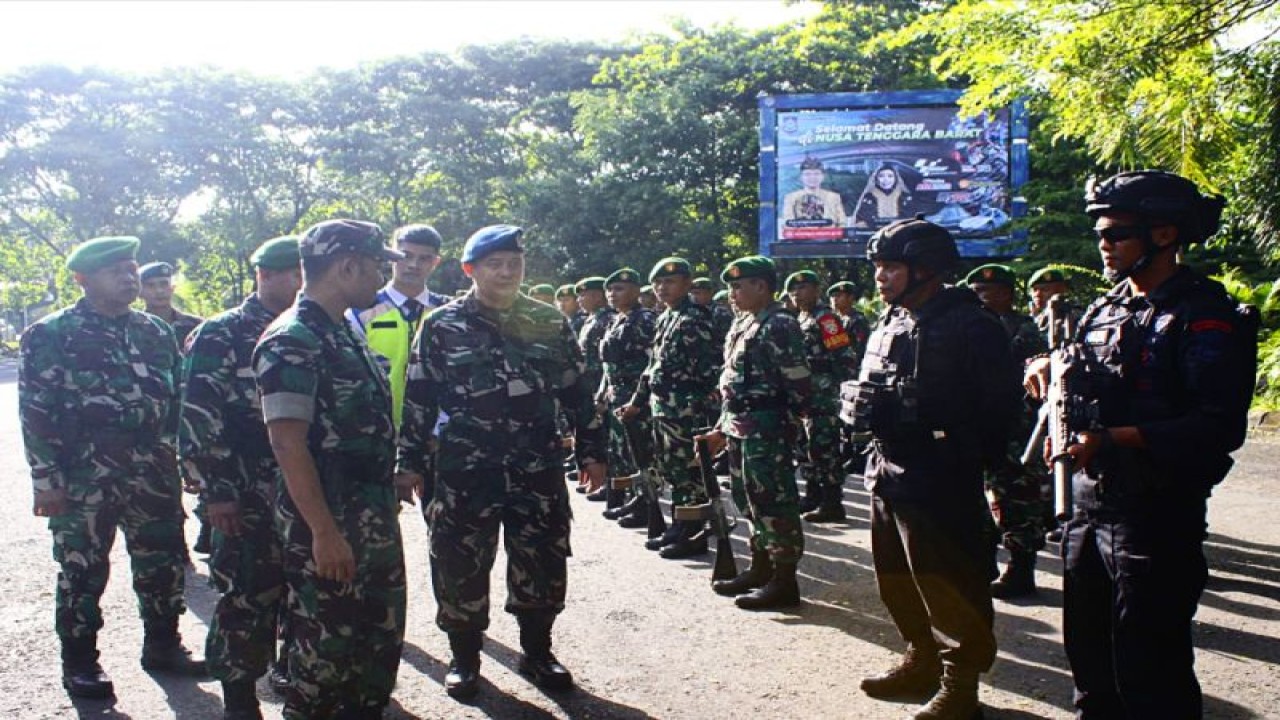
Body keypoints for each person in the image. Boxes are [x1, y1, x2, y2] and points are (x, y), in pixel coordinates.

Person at [1025, 171, 1256, 718]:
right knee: (1091, 662)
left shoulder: (1203, 314)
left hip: (1154, 513)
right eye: (1100, 235)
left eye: (1116, 234)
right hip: (1087, 507)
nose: (1103, 246)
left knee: (1151, 669)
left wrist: (1112, 438)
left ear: (1164, 234)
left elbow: (1217, 426)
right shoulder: (1104, 309)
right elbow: (1080, 375)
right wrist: (1046, 368)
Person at [394, 225, 606, 699]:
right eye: (495, 264)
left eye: (515, 263)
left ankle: (538, 651)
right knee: (459, 563)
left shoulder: (549, 321)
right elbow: (419, 398)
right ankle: (465, 657)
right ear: (470, 270)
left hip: (537, 467)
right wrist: (408, 462)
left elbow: (578, 391)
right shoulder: (442, 325)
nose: (507, 272)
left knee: (542, 559)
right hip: (465, 470)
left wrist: (592, 452)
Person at [20, 236, 206, 700]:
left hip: (152, 468)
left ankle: (163, 644)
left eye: (131, 269)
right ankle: (80, 661)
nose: (128, 278)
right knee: (82, 569)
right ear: (82, 279)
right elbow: (36, 411)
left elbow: (177, 400)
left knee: (162, 561)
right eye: (115, 271)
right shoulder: (51, 334)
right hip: (85, 474)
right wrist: (46, 480)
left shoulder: (154, 331)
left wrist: (187, 458)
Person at [850, 218, 1021, 719]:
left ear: (925, 269)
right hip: (887, 469)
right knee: (897, 578)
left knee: (951, 586)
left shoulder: (970, 324)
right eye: (878, 267)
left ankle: (959, 686)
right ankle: (920, 658)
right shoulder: (892, 319)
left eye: (891, 267)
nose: (880, 277)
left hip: (941, 477)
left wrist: (961, 455)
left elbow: (1001, 409)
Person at [253, 219, 407, 719]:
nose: (382, 278)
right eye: (377, 266)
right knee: (326, 653)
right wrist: (323, 532)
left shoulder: (341, 330)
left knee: (375, 643)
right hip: (329, 522)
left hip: (369, 517)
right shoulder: (293, 339)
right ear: (347, 266)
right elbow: (287, 442)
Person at [180, 236, 302, 719]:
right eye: (293, 274)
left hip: (302, 488)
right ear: (264, 275)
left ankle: (293, 676)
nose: (303, 284)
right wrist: (219, 493)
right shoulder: (222, 333)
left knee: (302, 592)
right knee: (247, 595)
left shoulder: (316, 328)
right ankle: (239, 698)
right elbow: (198, 419)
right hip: (246, 490)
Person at [697, 255, 811, 610]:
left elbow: (798, 382)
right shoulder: (744, 322)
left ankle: (784, 580)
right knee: (747, 498)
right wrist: (720, 428)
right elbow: (732, 384)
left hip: (767, 427)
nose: (732, 294)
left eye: (738, 286)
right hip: (739, 427)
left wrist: (791, 425)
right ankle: (761, 568)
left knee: (773, 500)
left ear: (761, 286)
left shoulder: (779, 324)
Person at [618, 258, 719, 555]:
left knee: (690, 471)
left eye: (670, 282)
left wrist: (701, 408)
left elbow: (709, 370)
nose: (662, 288)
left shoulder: (695, 319)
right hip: (664, 408)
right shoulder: (665, 317)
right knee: (672, 468)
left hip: (687, 410)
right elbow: (653, 368)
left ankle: (693, 531)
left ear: (687, 284)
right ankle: (680, 523)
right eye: (658, 283)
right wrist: (637, 403)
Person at [964, 263, 1050, 599]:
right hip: (979, 426)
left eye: (987, 291)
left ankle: (1020, 569)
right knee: (980, 498)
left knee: (1018, 498)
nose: (980, 297)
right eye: (976, 292)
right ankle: (984, 563)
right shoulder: (970, 328)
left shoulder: (1024, 330)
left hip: (1016, 429)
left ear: (1007, 294)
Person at [348, 223, 451, 427]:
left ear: (436, 262)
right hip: (378, 430)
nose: (413, 265)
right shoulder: (359, 310)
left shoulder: (449, 312)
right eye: (406, 256)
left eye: (424, 258)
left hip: (438, 432)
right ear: (392, 256)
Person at [784, 271, 860, 523]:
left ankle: (832, 502)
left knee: (824, 448)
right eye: (793, 290)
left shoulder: (826, 319)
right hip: (804, 395)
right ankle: (813, 494)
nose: (797, 294)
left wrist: (840, 393)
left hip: (823, 396)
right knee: (805, 448)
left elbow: (845, 356)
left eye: (803, 288)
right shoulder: (800, 319)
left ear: (816, 290)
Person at [593, 268, 657, 510]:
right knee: (620, 450)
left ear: (636, 291)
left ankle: (644, 501)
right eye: (609, 290)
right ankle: (629, 496)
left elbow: (652, 363)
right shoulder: (616, 320)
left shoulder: (645, 320)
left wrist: (639, 399)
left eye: (619, 289)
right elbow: (608, 365)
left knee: (639, 451)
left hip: (635, 397)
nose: (612, 294)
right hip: (616, 395)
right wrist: (602, 394)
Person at [573, 275, 615, 492]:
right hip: (590, 385)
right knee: (597, 434)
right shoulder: (591, 319)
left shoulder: (607, 320)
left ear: (598, 296)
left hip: (601, 384)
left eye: (584, 295)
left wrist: (602, 390)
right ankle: (602, 481)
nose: (579, 300)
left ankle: (611, 482)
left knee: (607, 435)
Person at [139, 261, 204, 346]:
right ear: (140, 292)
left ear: (172, 288)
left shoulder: (197, 325)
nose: (159, 291)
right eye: (151, 286)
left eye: (164, 284)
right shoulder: (133, 328)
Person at [783, 157, 847, 225]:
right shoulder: (790, 198)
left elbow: (842, 223)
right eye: (807, 174)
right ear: (801, 177)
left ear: (823, 177)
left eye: (816, 174)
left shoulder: (834, 197)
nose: (812, 177)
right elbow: (788, 224)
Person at [854, 163, 915, 229]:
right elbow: (861, 220)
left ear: (896, 178)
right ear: (876, 178)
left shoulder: (905, 197)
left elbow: (911, 220)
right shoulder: (868, 197)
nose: (886, 180)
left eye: (890, 176)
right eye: (881, 176)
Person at [691, 276, 734, 356]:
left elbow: (727, 338)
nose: (694, 297)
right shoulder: (691, 312)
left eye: (698, 293)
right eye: (692, 293)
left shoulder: (720, 312)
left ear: (709, 293)